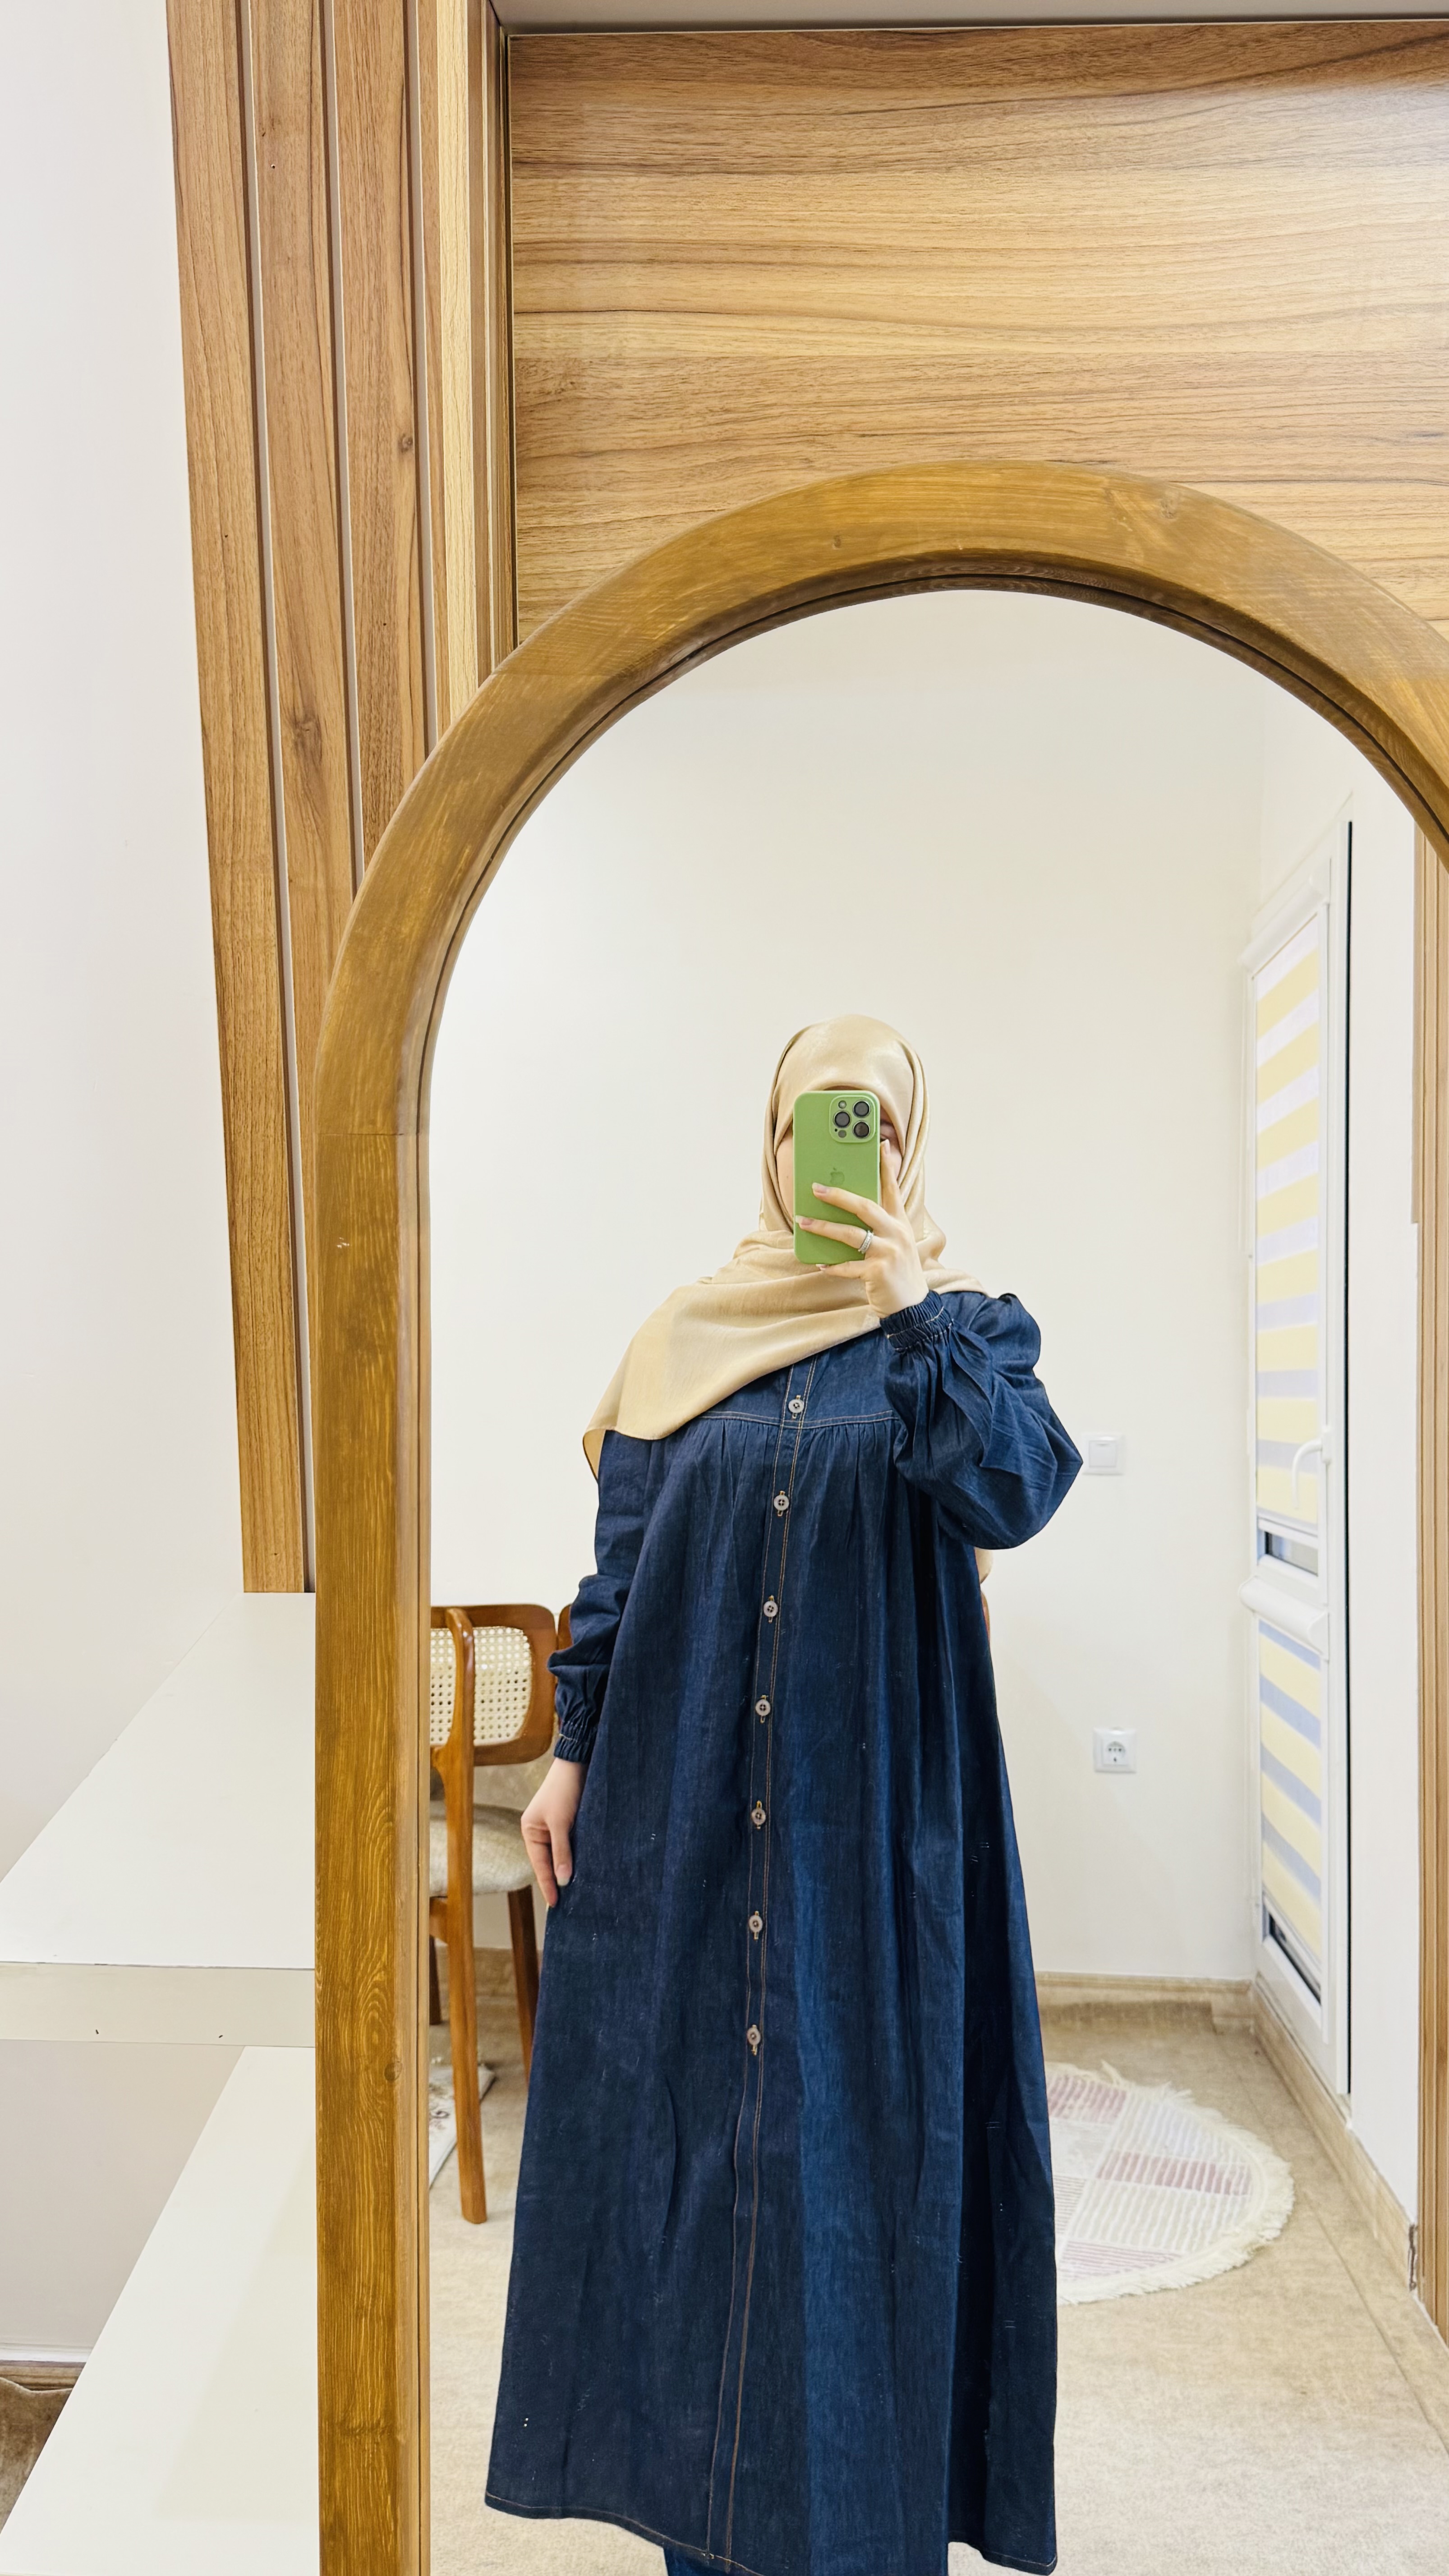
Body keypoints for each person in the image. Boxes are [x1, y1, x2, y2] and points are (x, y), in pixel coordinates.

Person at [486, 1015, 1080, 2576]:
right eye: (818, 1120)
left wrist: (910, 1308)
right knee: (690, 2178)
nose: (842, 1152)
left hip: (870, 1826)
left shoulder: (963, 1332)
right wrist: (569, 1755)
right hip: (679, 1808)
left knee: (859, 2176)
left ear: (908, 1144)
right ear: (771, 1140)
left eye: (871, 1122)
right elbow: (620, 1571)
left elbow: (1012, 1492)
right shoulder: (684, 1339)